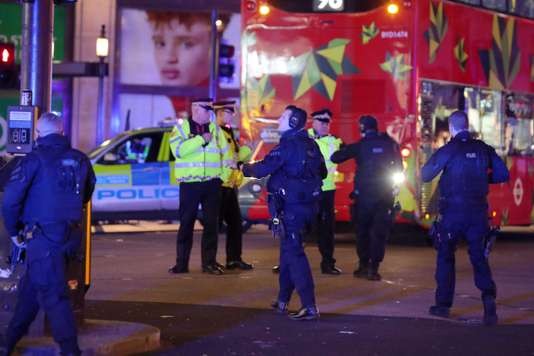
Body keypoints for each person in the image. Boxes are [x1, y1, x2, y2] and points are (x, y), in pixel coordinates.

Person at [2, 112, 96, 355]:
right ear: (62, 132)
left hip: (42, 238)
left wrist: (14, 232)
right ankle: (7, 343)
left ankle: (70, 350)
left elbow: (11, 199)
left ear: (37, 134)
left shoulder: (33, 160)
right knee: (30, 294)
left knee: (55, 297)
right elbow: (86, 193)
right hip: (70, 237)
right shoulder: (80, 159)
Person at [421, 110, 509, 325]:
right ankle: (489, 304)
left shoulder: (449, 149)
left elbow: (425, 175)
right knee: (479, 258)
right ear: (467, 125)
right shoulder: (483, 149)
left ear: (451, 127)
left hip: (452, 213)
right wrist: (479, 180)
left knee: (446, 257)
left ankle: (443, 305)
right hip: (478, 213)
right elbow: (503, 174)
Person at [243, 105, 327, 321]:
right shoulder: (311, 145)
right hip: (309, 207)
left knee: (295, 254)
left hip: (291, 209)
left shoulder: (288, 145)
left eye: (282, 117)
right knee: (288, 253)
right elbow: (323, 173)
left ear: (293, 123)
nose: (278, 120)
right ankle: (282, 301)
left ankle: (309, 306)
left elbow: (261, 169)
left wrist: (243, 167)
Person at [331, 115, 402, 281]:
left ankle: (363, 265)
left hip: (364, 197)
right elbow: (399, 168)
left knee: (363, 232)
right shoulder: (390, 144)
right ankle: (374, 268)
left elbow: (336, 157)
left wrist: (342, 147)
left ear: (362, 128)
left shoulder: (361, 146)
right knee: (379, 233)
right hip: (385, 196)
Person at [168, 98, 232, 275]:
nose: (210, 113)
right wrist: (200, 140)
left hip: (212, 183)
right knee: (186, 224)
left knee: (212, 224)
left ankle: (209, 263)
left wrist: (223, 179)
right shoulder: (180, 129)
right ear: (195, 109)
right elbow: (178, 151)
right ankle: (181, 264)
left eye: (210, 109)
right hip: (190, 184)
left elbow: (226, 156)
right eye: (206, 109)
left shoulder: (215, 130)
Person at [214, 100, 253, 270]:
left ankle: (234, 259)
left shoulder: (228, 132)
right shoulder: (215, 132)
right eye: (229, 113)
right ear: (220, 113)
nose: (232, 116)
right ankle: (210, 261)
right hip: (219, 184)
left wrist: (247, 150)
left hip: (230, 184)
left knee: (236, 224)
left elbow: (235, 157)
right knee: (214, 225)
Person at [307, 109, 343, 275]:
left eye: (327, 122)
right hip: (305, 190)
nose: (325, 125)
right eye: (321, 121)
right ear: (313, 122)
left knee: (326, 230)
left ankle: (328, 263)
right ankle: (286, 263)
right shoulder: (303, 138)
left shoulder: (335, 141)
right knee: (296, 227)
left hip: (326, 191)